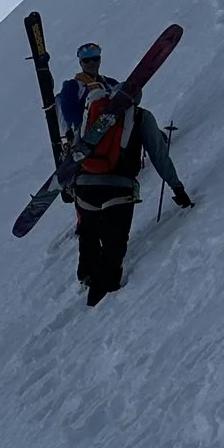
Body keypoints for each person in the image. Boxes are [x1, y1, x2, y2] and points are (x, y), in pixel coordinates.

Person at [60, 42, 192, 306]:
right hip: (119, 188)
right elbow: (158, 155)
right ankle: (99, 302)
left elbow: (74, 146)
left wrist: (69, 183)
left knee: (88, 232)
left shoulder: (91, 116)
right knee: (114, 245)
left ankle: (86, 276)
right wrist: (178, 189)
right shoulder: (141, 117)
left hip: (85, 186)